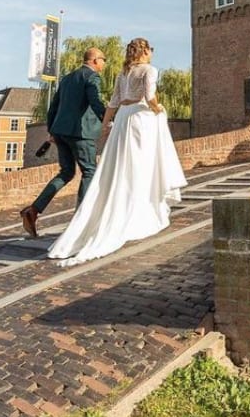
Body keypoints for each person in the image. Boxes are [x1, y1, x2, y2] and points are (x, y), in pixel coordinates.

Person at [47, 38, 188, 267]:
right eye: (150, 50)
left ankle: (124, 209)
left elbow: (113, 103)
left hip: (123, 118)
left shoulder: (123, 73)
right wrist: (159, 109)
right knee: (141, 167)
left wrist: (105, 128)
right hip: (140, 119)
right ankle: (140, 211)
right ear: (144, 52)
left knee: (120, 168)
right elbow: (150, 96)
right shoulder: (149, 70)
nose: (152, 53)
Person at [20, 47, 108, 238]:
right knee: (90, 171)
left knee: (67, 172)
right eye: (103, 60)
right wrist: (108, 118)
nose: (104, 64)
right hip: (80, 133)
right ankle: (81, 220)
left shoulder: (67, 78)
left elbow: (53, 107)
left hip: (61, 132)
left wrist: (52, 130)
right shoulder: (91, 77)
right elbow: (95, 101)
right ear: (94, 60)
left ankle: (33, 210)